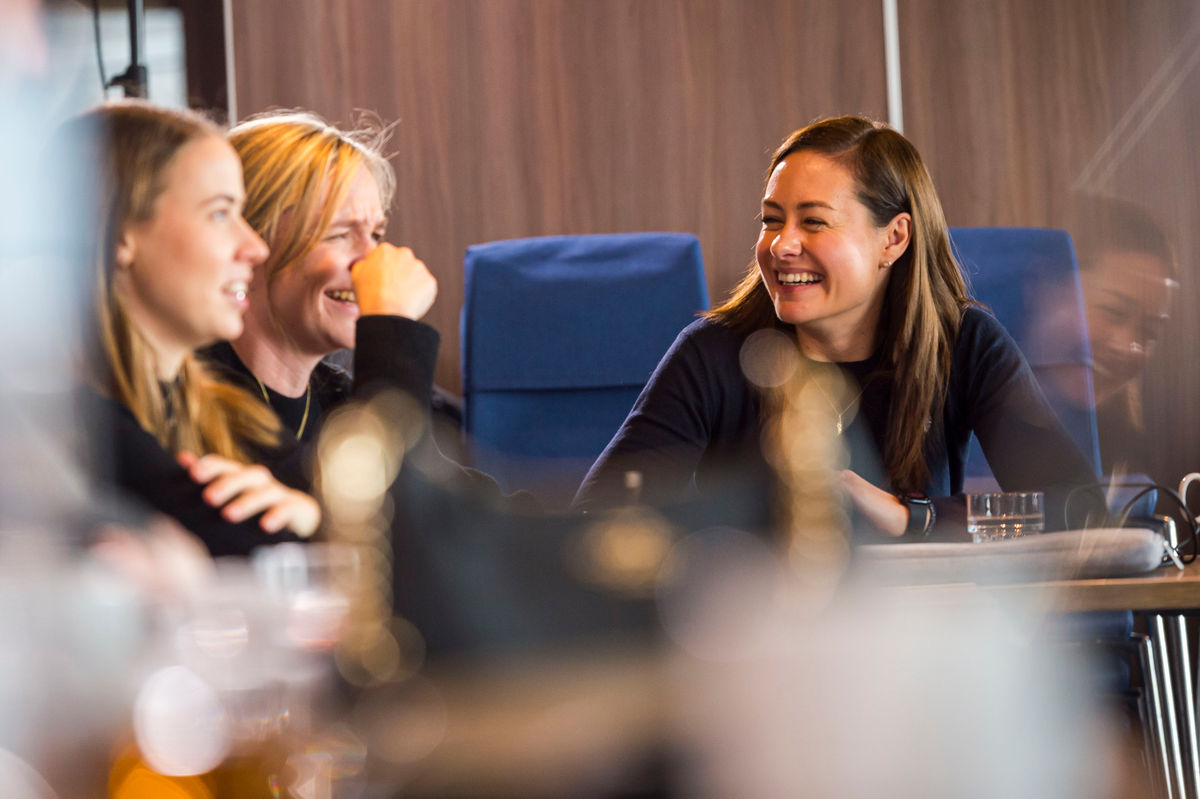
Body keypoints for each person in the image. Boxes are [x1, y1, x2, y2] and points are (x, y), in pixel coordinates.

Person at [574, 115, 1103, 539]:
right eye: (772, 220)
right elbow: (599, 518)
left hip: (919, 628)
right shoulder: (711, 352)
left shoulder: (965, 344)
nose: (781, 245)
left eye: (814, 221)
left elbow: (1078, 511)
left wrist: (910, 518)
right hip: (762, 631)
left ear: (893, 239)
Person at [64, 100, 321, 557]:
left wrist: (311, 517)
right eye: (220, 214)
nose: (255, 247)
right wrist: (315, 525)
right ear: (121, 235)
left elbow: (397, 532)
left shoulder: (233, 417)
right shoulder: (70, 425)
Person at [201, 111, 483, 491]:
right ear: (248, 242)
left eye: (376, 234)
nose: (372, 261)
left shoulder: (339, 397)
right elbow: (385, 509)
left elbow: (462, 510)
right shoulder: (193, 399)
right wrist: (390, 326)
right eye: (338, 234)